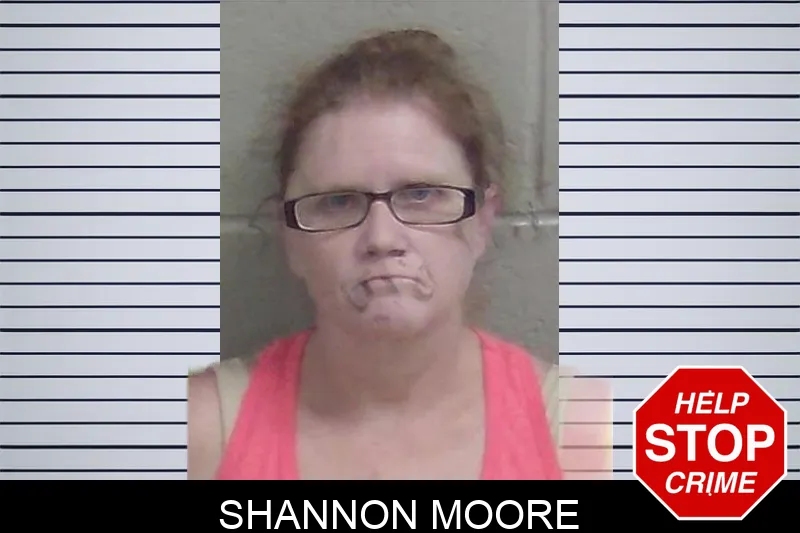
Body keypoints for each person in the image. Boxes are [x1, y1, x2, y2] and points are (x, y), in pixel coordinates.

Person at [188, 28, 564, 480]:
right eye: (338, 202)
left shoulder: (586, 434)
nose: (382, 238)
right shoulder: (198, 434)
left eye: (422, 194)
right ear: (291, 239)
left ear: (483, 221)